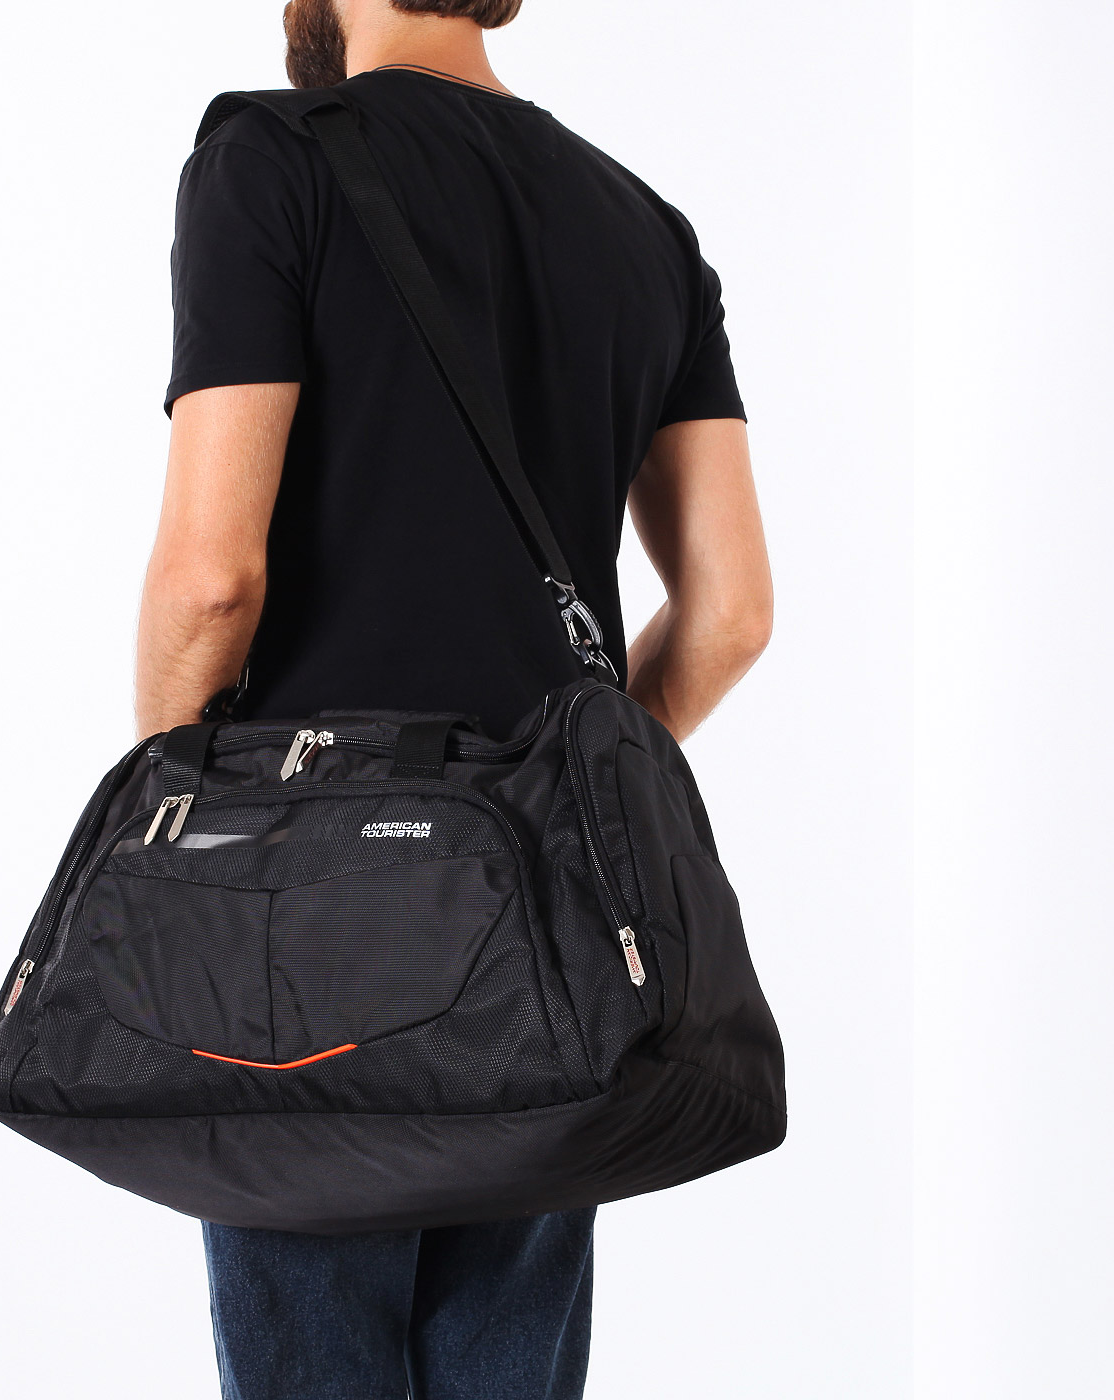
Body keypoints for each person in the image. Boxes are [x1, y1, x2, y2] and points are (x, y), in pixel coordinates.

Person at [135, 1, 773, 1395]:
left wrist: (174, 832)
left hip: (305, 912)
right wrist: (566, 794)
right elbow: (730, 613)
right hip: (552, 916)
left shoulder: (270, 160)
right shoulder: (645, 230)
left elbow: (211, 583)